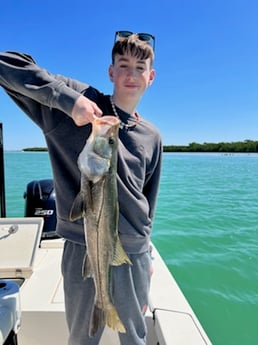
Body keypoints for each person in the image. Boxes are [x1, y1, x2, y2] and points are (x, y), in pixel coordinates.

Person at [0, 31, 162, 345]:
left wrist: (147, 252)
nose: (131, 74)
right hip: (81, 245)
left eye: (140, 67)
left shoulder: (152, 136)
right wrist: (69, 102)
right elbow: (6, 64)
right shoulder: (79, 104)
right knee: (81, 338)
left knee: (136, 338)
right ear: (110, 71)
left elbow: (148, 200)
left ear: (151, 77)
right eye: (123, 65)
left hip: (135, 254)